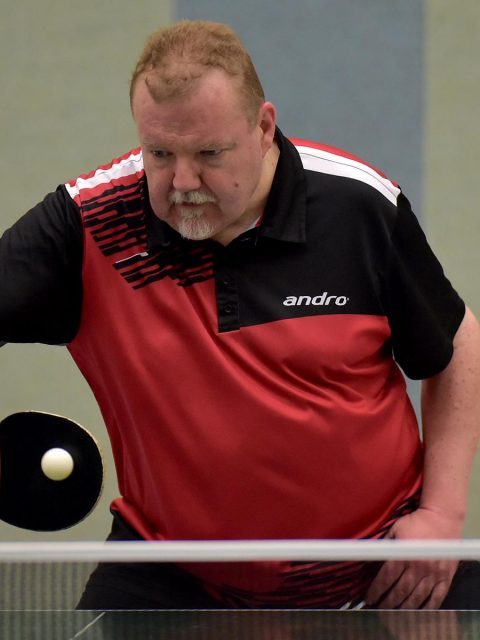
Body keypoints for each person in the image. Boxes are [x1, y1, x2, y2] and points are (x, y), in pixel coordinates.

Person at [1, 19, 480, 610]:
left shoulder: (355, 205)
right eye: (159, 153)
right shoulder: (91, 225)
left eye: (209, 153)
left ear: (263, 127)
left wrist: (441, 514)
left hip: (379, 569)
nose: (183, 181)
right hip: (174, 570)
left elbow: (456, 343)